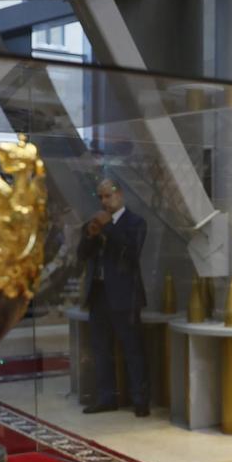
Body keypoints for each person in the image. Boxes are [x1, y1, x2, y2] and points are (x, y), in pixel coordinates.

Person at [78, 178, 151, 417]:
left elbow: (132, 253)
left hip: (125, 297)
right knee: (101, 350)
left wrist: (109, 227)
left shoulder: (135, 222)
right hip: (98, 295)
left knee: (132, 349)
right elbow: (81, 255)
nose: (104, 201)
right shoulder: (94, 223)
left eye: (108, 196)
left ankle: (140, 400)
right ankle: (106, 397)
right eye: (100, 197)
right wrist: (90, 235)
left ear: (120, 195)